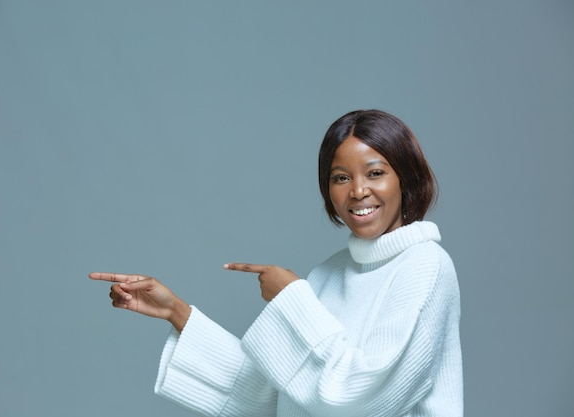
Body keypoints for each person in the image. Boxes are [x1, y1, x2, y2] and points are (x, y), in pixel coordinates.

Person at [90, 109, 463, 416]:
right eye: (340, 177)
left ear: (407, 178)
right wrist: (177, 313)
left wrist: (292, 300)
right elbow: (277, 400)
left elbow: (364, 401)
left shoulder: (426, 266)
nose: (358, 191)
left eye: (375, 173)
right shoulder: (328, 274)